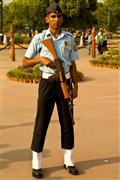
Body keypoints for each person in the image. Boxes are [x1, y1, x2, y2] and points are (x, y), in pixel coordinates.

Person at [22, 2, 79, 178]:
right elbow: (24, 62)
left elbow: (73, 63)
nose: (56, 19)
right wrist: (40, 59)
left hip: (65, 83)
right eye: (53, 16)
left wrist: (75, 86)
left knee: (67, 122)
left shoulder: (68, 38)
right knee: (42, 122)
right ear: (47, 18)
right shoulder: (39, 38)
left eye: (59, 16)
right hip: (47, 83)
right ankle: (36, 163)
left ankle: (68, 160)